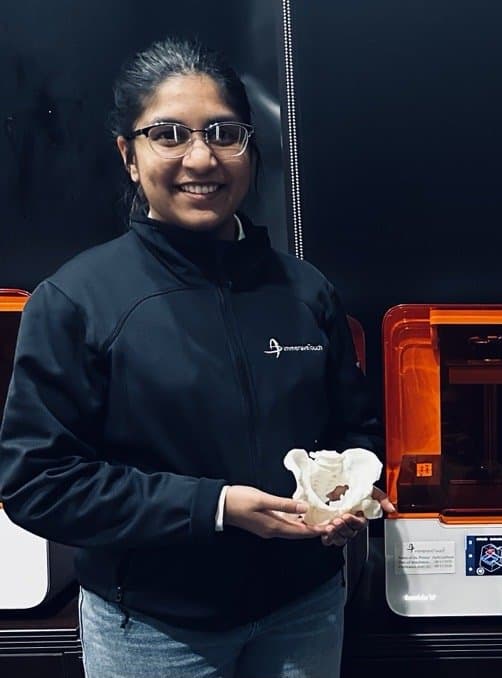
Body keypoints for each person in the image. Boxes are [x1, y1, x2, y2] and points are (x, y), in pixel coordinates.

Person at [0, 37, 392, 678]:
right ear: (129, 155)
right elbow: (39, 485)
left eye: (223, 132)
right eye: (169, 134)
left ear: (250, 147)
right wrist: (215, 507)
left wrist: (351, 502)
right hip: (154, 629)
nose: (201, 157)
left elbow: (356, 434)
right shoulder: (76, 300)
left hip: (305, 608)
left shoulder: (305, 290)